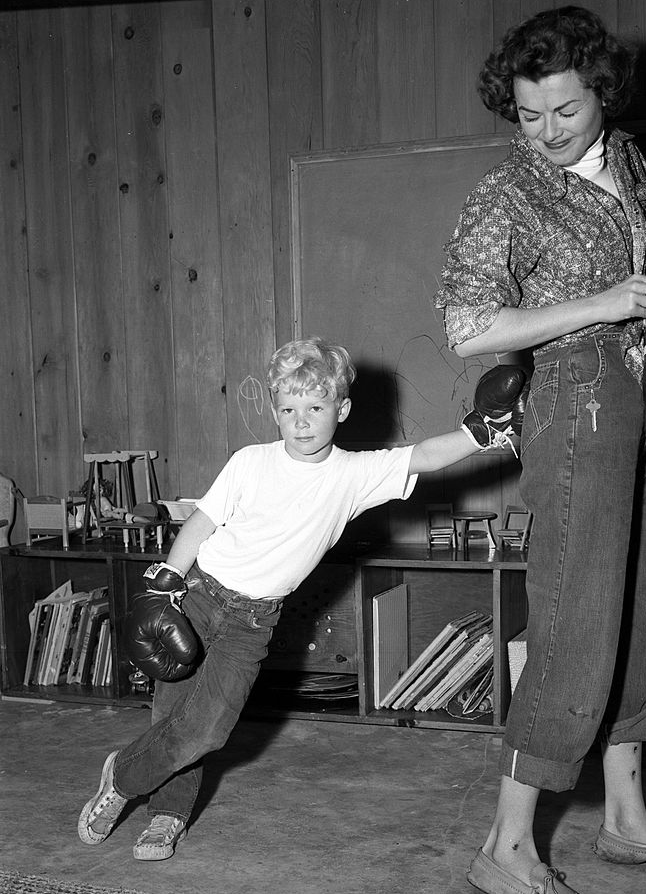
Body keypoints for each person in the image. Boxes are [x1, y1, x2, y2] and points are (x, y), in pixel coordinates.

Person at [434, 6, 646, 894]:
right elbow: (468, 330)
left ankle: (629, 819)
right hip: (570, 400)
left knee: (640, 612)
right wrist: (597, 303)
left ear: (600, 91)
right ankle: (506, 846)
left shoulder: (630, 157)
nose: (549, 132)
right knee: (574, 618)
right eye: (529, 115)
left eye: (565, 109)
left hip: (638, 396)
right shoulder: (504, 195)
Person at [77, 338, 526, 861]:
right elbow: (203, 519)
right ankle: (169, 813)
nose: (302, 420)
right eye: (289, 409)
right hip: (199, 594)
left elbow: (423, 456)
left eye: (315, 407)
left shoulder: (352, 475)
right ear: (275, 412)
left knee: (208, 728)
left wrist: (479, 434)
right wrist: (167, 579)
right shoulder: (249, 462)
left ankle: (123, 777)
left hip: (253, 622)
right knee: (172, 714)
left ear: (342, 409)